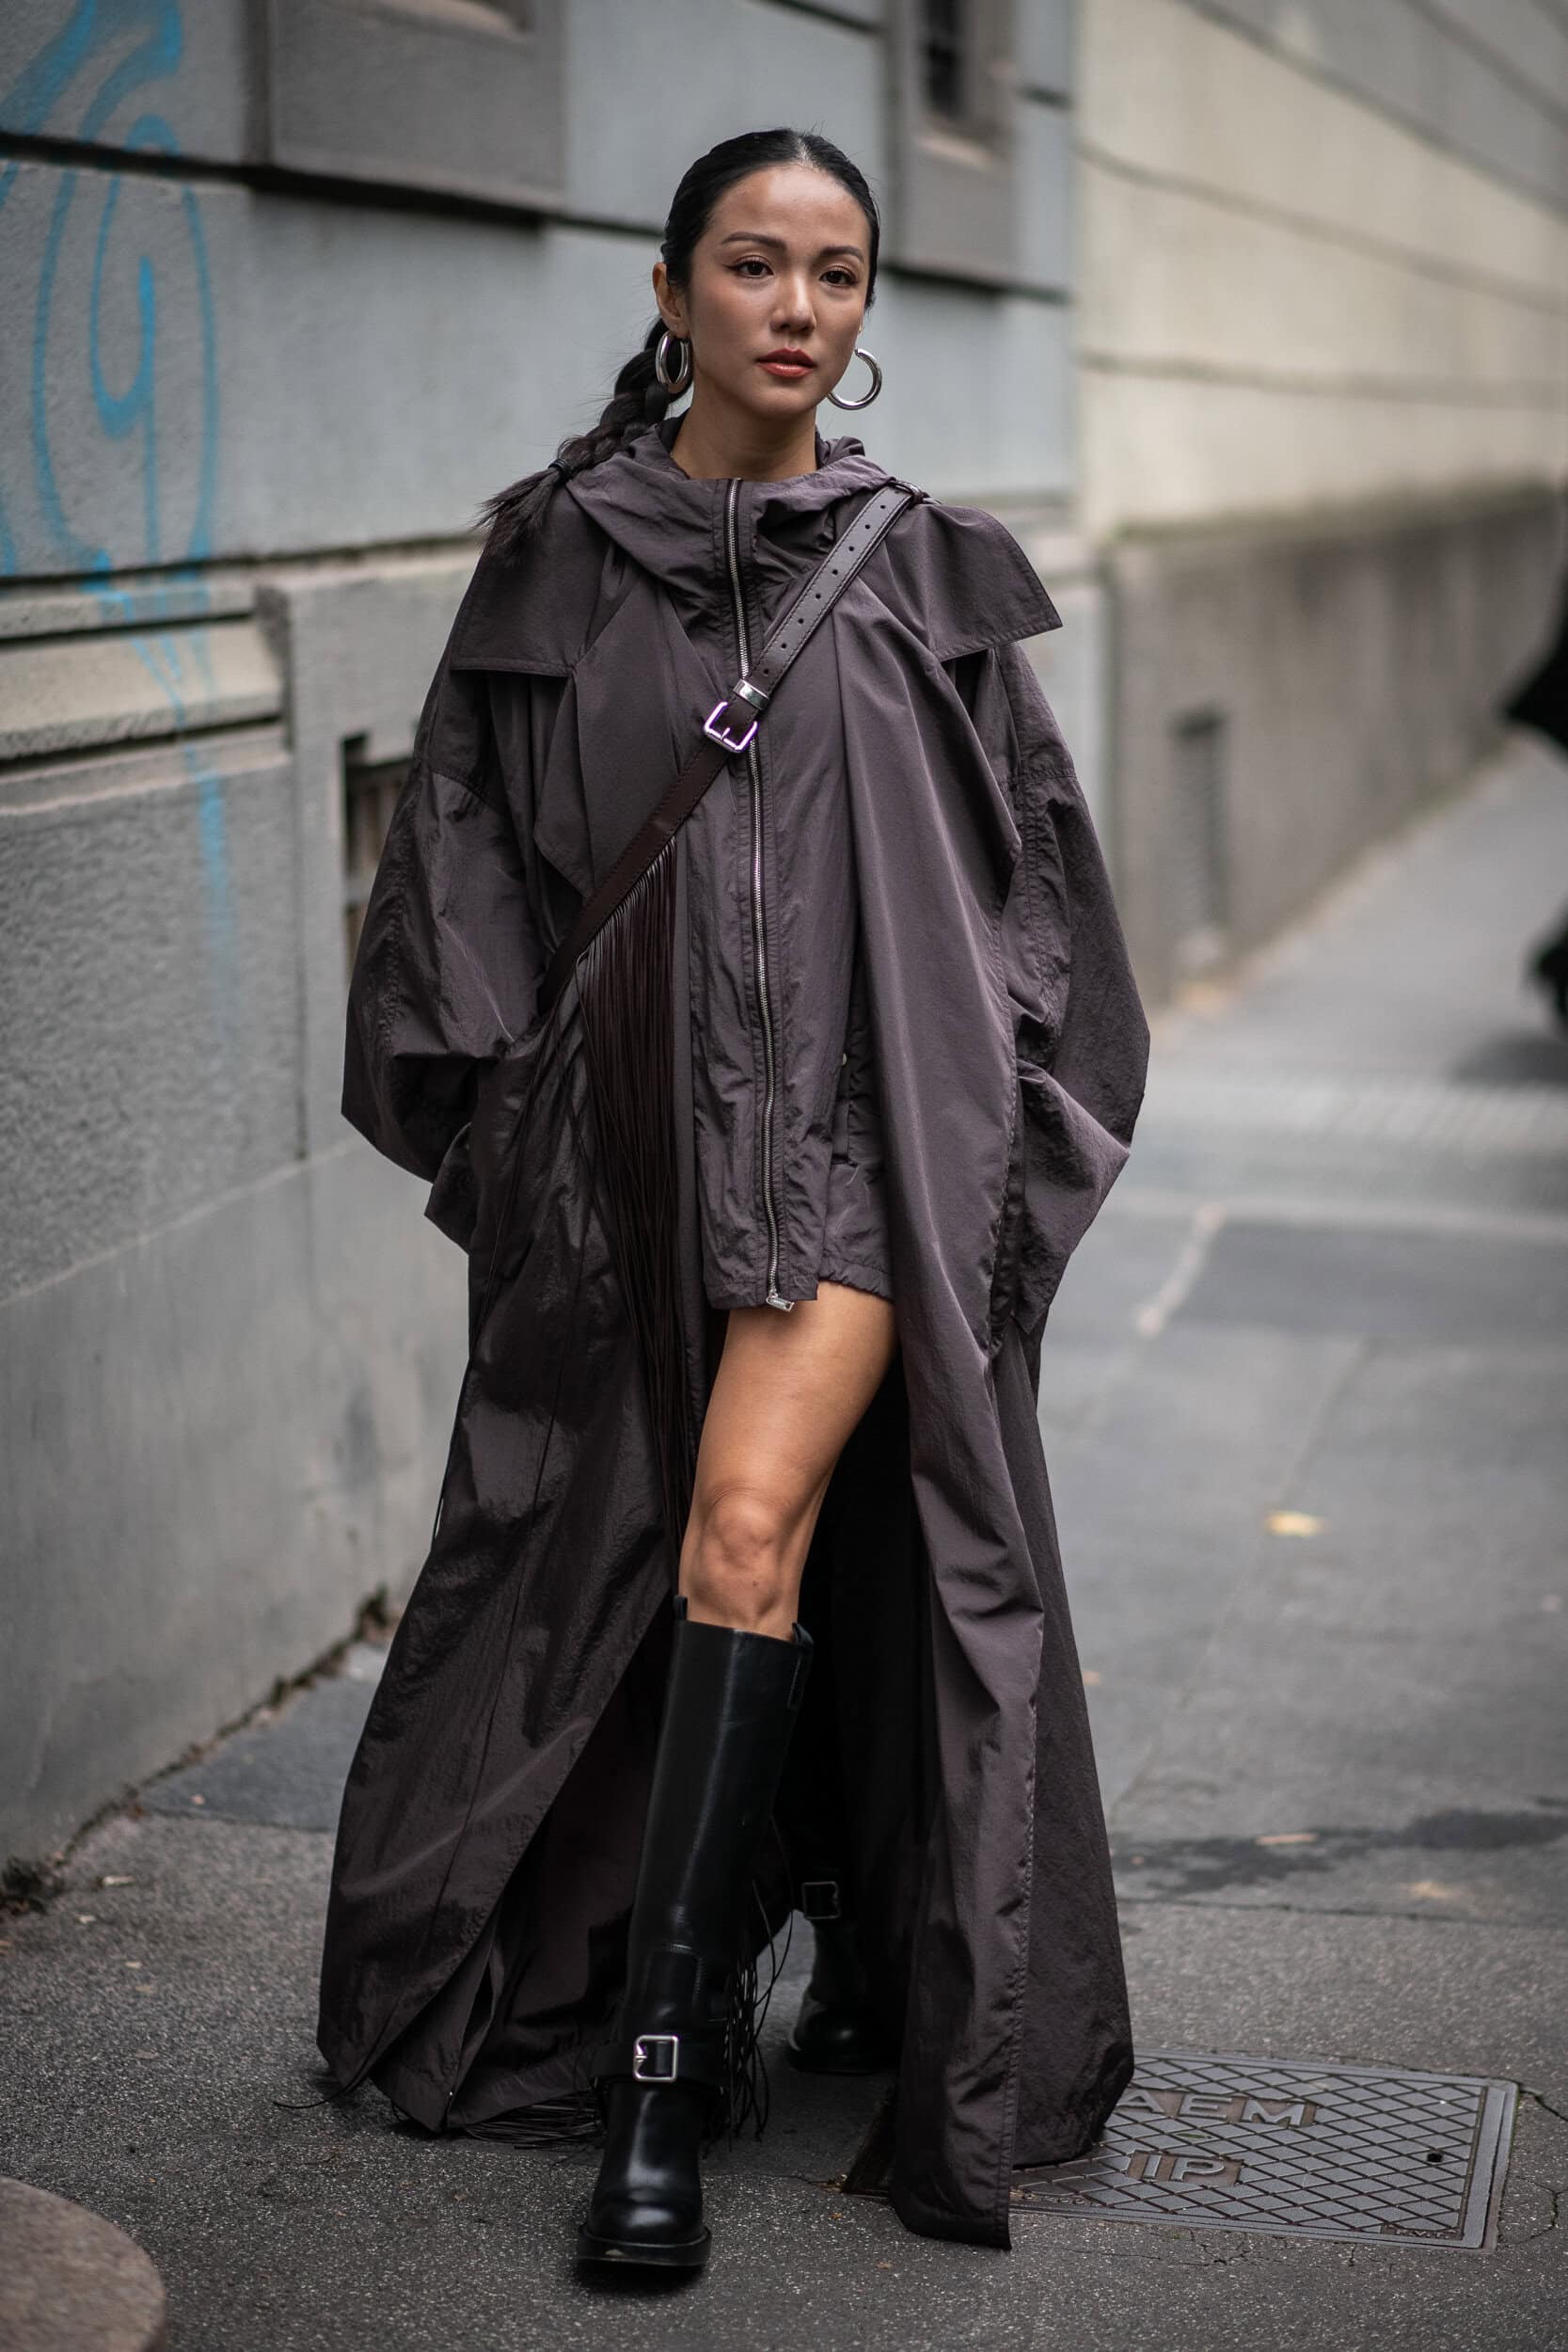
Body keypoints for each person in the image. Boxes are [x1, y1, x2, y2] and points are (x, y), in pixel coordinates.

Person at [314, 126, 1150, 2271]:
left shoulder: (928, 570)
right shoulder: (556, 562)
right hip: (624, 1154)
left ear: (864, 313)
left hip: (860, 1156)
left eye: (838, 272)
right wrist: (514, 1131)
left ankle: (660, 2090)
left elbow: (1038, 896)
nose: (798, 306)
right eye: (758, 264)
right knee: (616, 1559)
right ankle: (818, 1923)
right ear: (674, 287)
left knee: (750, 1525)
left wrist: (1000, 1139)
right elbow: (460, 864)